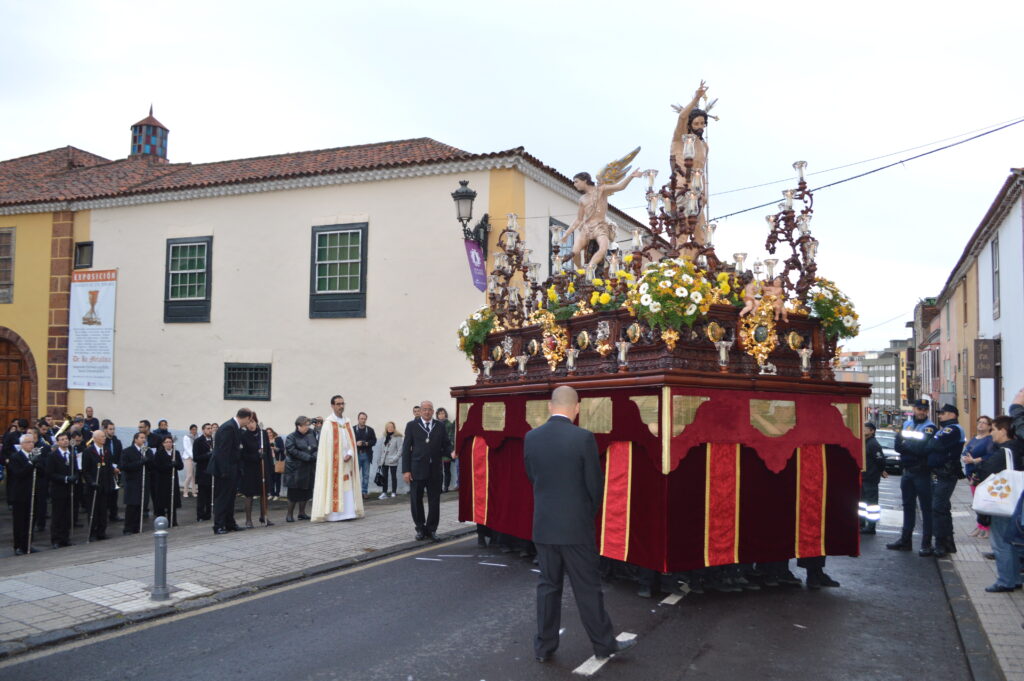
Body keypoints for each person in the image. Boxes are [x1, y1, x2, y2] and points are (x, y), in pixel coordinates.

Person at [524, 386, 636, 662]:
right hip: (575, 527)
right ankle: (603, 645)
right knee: (587, 588)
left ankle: (544, 648)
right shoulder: (583, 438)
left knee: (548, 587)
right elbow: (594, 485)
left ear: (550, 407)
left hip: (544, 525)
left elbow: (532, 476)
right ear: (577, 409)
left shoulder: (531, 437)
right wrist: (587, 514)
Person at [972, 415, 1024, 592]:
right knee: (1013, 543)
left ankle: (1005, 581)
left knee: (1001, 543)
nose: (991, 433)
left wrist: (977, 472)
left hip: (1003, 504)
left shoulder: (1004, 452)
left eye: (993, 429)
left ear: (1003, 431)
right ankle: (1015, 578)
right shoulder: (1018, 448)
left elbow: (985, 470)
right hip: (1016, 503)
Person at [562, 169, 642, 269]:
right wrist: (566, 234)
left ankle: (590, 270)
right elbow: (579, 219)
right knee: (575, 252)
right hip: (586, 228)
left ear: (585, 180)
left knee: (603, 248)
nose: (574, 184)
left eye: (576, 181)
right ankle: (581, 270)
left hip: (600, 227)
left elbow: (620, 187)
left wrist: (631, 176)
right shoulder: (582, 199)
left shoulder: (601, 190)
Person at [887, 399, 937, 554]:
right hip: (907, 471)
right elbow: (897, 445)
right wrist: (909, 447)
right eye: (918, 408)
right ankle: (905, 540)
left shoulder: (929, 428)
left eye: (924, 409)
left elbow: (922, 449)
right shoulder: (907, 425)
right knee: (908, 506)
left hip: (921, 472)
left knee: (926, 509)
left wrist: (906, 446)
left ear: (927, 411)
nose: (921, 412)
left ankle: (926, 543)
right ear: (913, 409)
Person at [402, 400, 450, 541]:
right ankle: (420, 529)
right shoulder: (412, 426)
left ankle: (432, 529)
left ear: (433, 411)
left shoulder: (439, 426)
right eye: (424, 409)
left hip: (435, 469)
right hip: (416, 469)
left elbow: (446, 445)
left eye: (429, 409)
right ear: (420, 411)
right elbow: (406, 449)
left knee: (434, 501)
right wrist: (406, 470)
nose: (427, 412)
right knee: (416, 500)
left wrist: (452, 453)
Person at [311, 396, 364, 522]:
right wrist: (339, 456)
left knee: (348, 486)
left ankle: (349, 512)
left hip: (347, 461)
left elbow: (351, 441)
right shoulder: (328, 424)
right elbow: (326, 447)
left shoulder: (347, 422)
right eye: (338, 404)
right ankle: (334, 514)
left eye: (342, 404)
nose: (341, 406)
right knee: (335, 485)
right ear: (332, 406)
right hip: (333, 463)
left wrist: (350, 453)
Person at [926, 404, 966, 558]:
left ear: (951, 414)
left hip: (946, 472)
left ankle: (940, 544)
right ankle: (947, 543)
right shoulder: (944, 430)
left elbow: (934, 444)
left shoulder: (953, 429)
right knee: (942, 508)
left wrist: (931, 441)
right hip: (940, 472)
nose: (940, 416)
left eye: (942, 413)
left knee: (938, 508)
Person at [208, 408, 253, 535]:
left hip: (233, 468)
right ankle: (219, 525)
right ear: (245, 417)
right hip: (225, 469)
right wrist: (224, 471)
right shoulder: (228, 427)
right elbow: (223, 452)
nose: (249, 423)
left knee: (230, 498)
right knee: (222, 498)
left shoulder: (235, 427)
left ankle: (229, 523)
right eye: (249, 420)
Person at [8, 432, 40, 554]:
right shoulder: (15, 457)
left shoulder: (34, 455)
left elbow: (42, 471)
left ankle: (28, 544)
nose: (31, 444)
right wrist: (31, 463)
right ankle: (18, 546)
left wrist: (36, 462)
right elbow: (18, 474)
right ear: (21, 444)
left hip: (32, 492)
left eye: (32, 442)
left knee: (30, 520)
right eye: (28, 442)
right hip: (20, 494)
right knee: (19, 521)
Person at [963, 415, 994, 539]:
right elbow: (966, 451)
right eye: (979, 422)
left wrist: (974, 460)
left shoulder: (989, 440)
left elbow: (990, 456)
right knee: (976, 502)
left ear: (989, 426)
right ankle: (979, 525)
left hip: (981, 474)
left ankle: (986, 528)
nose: (980, 425)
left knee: (983, 502)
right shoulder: (974, 438)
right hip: (971, 474)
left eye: (984, 423)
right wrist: (966, 458)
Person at [240, 415, 274, 527]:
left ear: (256, 422)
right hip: (250, 469)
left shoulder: (263, 433)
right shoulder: (244, 436)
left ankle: (264, 516)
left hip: (263, 468)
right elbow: (243, 454)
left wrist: (270, 466)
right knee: (249, 494)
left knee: (264, 493)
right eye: (248, 422)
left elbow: (268, 450)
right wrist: (256, 456)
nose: (251, 425)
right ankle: (248, 520)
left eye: (253, 422)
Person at [82, 430, 115, 540]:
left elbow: (109, 468)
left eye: (104, 436)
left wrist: (111, 484)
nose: (104, 438)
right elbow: (85, 470)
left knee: (103, 510)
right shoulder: (88, 451)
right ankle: (92, 532)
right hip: (93, 487)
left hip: (104, 485)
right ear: (95, 438)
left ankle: (102, 531)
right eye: (101, 437)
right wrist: (91, 482)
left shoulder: (106, 451)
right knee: (93, 511)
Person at [46, 431, 77, 547]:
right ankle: (56, 539)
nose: (65, 441)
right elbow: (50, 473)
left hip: (69, 490)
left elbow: (76, 469)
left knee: (67, 516)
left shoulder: (72, 454)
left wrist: (75, 477)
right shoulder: (52, 456)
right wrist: (65, 478)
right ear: (58, 442)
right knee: (57, 516)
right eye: (62, 439)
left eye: (66, 439)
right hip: (58, 489)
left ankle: (65, 538)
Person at [285, 416, 318, 522]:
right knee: (294, 493)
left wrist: (315, 456)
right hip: (296, 469)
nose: (307, 428)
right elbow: (292, 450)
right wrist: (307, 457)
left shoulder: (311, 434)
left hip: (309, 467)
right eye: (305, 426)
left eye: (308, 425)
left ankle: (302, 513)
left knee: (307, 491)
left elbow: (316, 447)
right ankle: (289, 514)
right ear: (298, 426)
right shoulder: (291, 437)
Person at [859, 423, 888, 534]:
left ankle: (871, 527)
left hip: (870, 478)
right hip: (864, 477)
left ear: (872, 431)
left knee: (871, 504)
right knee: (862, 503)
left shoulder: (873, 444)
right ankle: (861, 523)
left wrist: (881, 471)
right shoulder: (865, 442)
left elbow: (880, 460)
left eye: (865, 428)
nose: (863, 430)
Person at [151, 435, 183, 526]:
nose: (169, 444)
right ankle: (161, 521)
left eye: (170, 442)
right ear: (163, 444)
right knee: (162, 502)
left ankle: (173, 521)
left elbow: (181, 466)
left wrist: (176, 464)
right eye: (167, 442)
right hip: (162, 481)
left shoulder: (175, 453)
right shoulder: (159, 453)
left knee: (172, 502)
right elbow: (157, 467)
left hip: (173, 481)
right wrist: (170, 465)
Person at [120, 432, 148, 534]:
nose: (143, 440)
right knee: (132, 506)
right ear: (135, 439)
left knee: (140, 505)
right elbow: (124, 466)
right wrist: (140, 462)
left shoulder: (146, 451)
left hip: (142, 482)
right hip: (132, 482)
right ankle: (128, 528)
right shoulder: (127, 451)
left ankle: (136, 527)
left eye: (144, 438)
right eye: (141, 438)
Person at [192, 423, 214, 521]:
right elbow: (196, 457)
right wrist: (208, 455)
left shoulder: (214, 441)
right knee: (202, 496)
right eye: (208, 428)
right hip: (202, 471)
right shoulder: (198, 441)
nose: (210, 430)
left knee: (210, 495)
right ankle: (200, 515)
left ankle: (208, 514)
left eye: (211, 429)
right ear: (203, 430)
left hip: (212, 472)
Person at [102, 420, 123, 522]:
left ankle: (114, 514)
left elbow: (120, 455)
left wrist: (118, 467)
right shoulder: (103, 442)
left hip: (116, 470)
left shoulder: (117, 441)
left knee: (115, 493)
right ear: (105, 430)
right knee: (106, 494)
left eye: (113, 429)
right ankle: (104, 514)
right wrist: (111, 467)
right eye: (110, 429)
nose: (112, 431)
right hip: (107, 469)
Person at [353, 412, 377, 497]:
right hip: (356, 455)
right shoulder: (352, 429)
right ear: (358, 419)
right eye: (361, 419)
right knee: (355, 475)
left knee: (366, 475)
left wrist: (366, 443)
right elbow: (348, 441)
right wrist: (356, 443)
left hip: (367, 455)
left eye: (364, 419)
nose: (363, 420)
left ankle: (364, 492)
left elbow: (374, 441)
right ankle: (355, 492)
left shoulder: (370, 430)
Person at [378, 421, 402, 499]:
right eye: (388, 427)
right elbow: (382, 450)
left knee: (393, 477)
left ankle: (393, 492)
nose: (390, 428)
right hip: (384, 461)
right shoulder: (385, 437)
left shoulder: (398, 437)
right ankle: (384, 492)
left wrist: (395, 459)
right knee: (384, 477)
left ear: (394, 428)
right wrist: (380, 461)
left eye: (391, 427)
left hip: (392, 461)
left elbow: (400, 450)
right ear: (386, 428)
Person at [436, 408, 456, 492]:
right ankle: (439, 488)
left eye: (443, 413)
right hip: (437, 451)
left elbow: (451, 438)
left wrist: (450, 450)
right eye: (439, 413)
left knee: (446, 470)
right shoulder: (435, 424)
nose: (441, 415)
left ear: (445, 414)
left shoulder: (449, 424)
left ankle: (446, 487)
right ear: (437, 415)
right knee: (438, 471)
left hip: (446, 451)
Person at [267, 427, 284, 499]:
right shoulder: (266, 440)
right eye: (267, 433)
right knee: (270, 478)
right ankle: (271, 493)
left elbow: (282, 449)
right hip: (269, 461)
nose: (269, 434)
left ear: (273, 432)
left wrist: (275, 448)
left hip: (277, 461)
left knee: (277, 478)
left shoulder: (278, 439)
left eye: (270, 432)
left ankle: (277, 494)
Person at [182, 424, 197, 497]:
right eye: (193, 429)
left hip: (194, 458)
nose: (194, 431)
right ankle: (185, 491)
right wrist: (192, 456)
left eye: (195, 429)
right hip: (188, 457)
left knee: (194, 475)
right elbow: (186, 448)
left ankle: (194, 492)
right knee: (189, 475)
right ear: (190, 430)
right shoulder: (186, 437)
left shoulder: (197, 437)